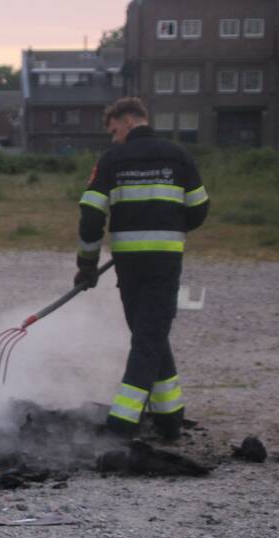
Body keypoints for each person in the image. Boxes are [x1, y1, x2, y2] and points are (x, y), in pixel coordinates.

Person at [75, 97, 209, 439]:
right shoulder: (179, 157)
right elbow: (199, 208)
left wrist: (87, 264)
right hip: (165, 259)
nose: (114, 138)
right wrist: (170, 226)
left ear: (128, 121)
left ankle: (123, 422)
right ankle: (168, 416)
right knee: (150, 334)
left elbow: (91, 215)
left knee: (147, 334)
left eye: (114, 130)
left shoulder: (112, 160)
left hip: (129, 263)